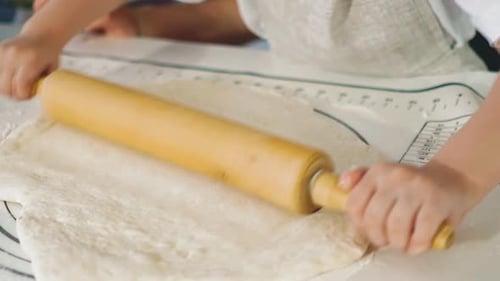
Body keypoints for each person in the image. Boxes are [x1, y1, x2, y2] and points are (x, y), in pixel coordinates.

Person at [0, 0, 499, 255]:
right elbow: (272, 12)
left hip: (459, 130)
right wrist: (46, 33)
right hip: (301, 99)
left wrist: (457, 176)